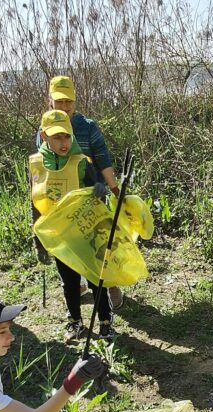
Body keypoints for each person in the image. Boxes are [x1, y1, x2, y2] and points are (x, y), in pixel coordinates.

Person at [35, 75, 124, 309]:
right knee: (70, 245)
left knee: (97, 243)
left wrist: (112, 188)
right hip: (61, 201)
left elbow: (103, 159)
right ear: (50, 100)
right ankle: (79, 283)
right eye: (59, 101)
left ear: (75, 101)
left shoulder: (88, 127)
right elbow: (44, 166)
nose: (65, 106)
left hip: (92, 192)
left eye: (69, 101)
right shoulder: (45, 129)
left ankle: (111, 284)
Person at [30, 109, 114, 343]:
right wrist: (38, 239)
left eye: (67, 136)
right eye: (57, 137)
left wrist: (100, 188)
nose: (63, 142)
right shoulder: (37, 165)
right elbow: (35, 202)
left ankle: (105, 322)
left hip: (85, 230)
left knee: (96, 278)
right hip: (59, 234)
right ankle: (75, 322)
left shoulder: (81, 162)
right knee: (69, 282)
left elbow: (96, 186)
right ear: (45, 136)